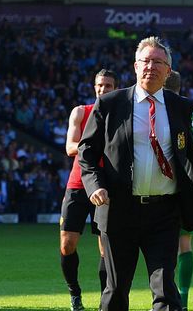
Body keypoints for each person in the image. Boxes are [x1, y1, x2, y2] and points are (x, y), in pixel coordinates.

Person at [78, 36, 193, 311]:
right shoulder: (110, 104)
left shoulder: (181, 107)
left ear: (168, 71)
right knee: (116, 291)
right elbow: (87, 152)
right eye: (146, 61)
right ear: (135, 66)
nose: (151, 66)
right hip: (119, 209)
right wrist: (94, 186)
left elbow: (190, 156)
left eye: (158, 62)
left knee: (166, 290)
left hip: (164, 212)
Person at [60, 69, 117, 311]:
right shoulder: (81, 112)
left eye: (108, 86)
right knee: (67, 244)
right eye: (100, 85)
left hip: (106, 186)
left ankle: (106, 301)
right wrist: (92, 145)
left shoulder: (120, 116)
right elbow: (70, 147)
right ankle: (75, 294)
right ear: (94, 87)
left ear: (115, 89)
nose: (103, 89)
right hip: (77, 183)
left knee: (105, 246)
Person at [164, 71, 193, 311]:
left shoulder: (168, 109)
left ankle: (167, 300)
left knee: (164, 244)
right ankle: (184, 301)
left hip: (171, 182)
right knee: (185, 242)